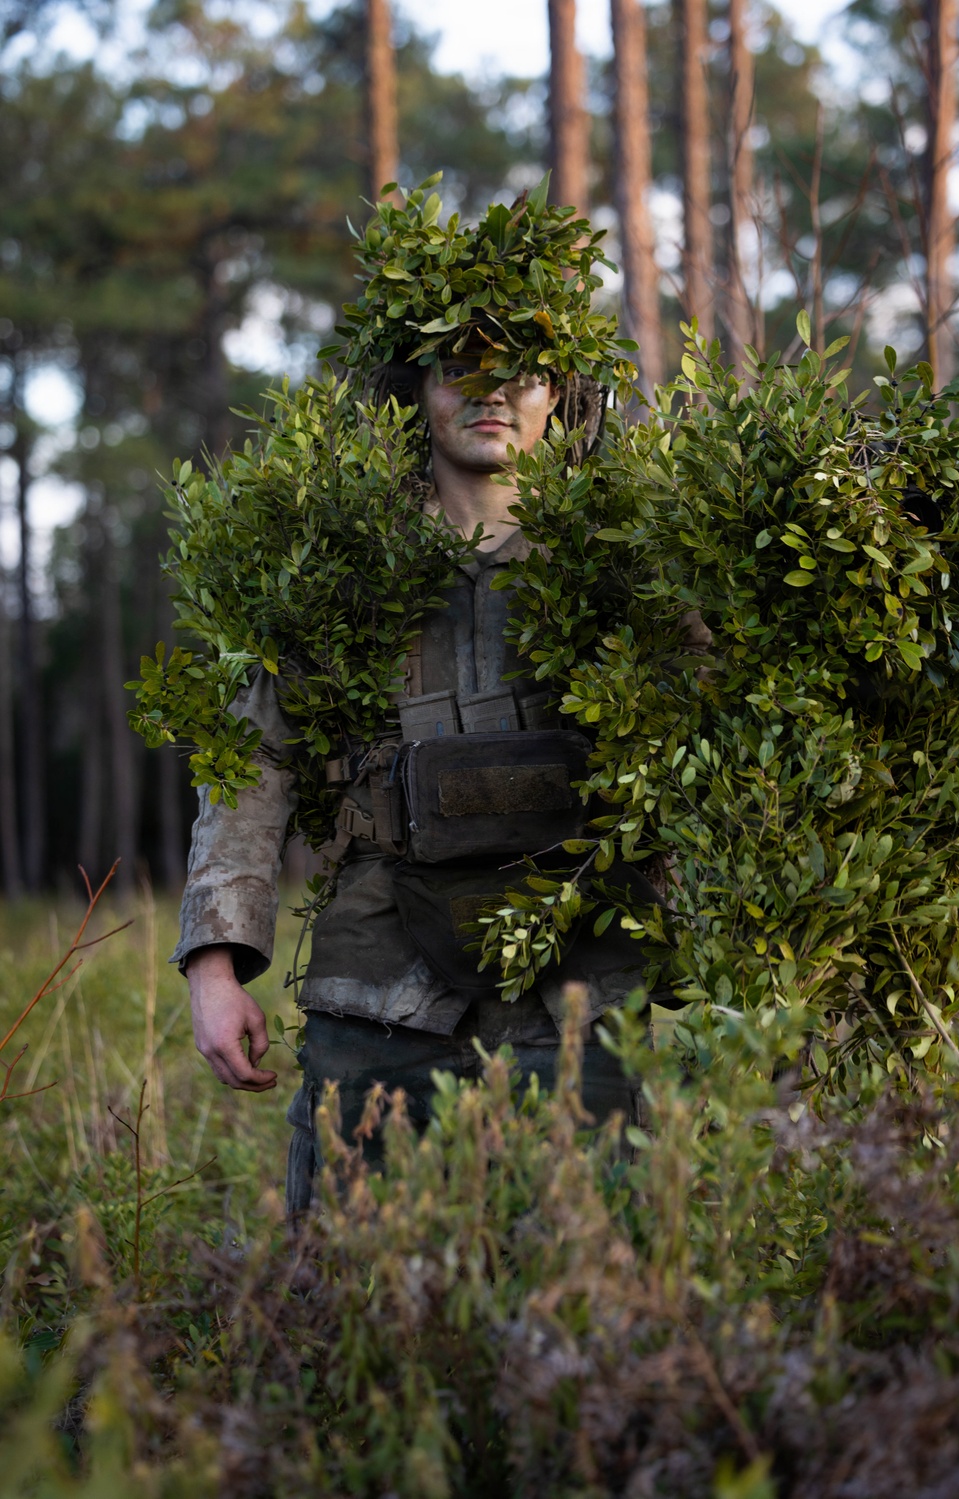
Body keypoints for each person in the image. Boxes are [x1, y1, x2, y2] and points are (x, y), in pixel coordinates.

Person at [170, 184, 698, 1213]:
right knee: (363, 1303)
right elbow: (253, 765)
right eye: (462, 363)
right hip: (380, 986)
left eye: (523, 368)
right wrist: (214, 963)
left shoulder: (636, 566)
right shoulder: (335, 567)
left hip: (581, 990)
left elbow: (726, 752)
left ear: (562, 395)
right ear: (416, 389)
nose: (492, 389)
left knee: (591, 1302)